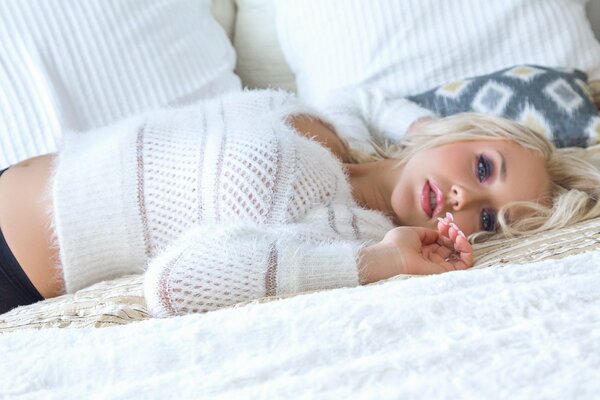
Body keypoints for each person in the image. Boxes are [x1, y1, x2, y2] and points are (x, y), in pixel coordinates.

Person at [0, 89, 598, 316]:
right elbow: (367, 95)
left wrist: (380, 262)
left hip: (14, 272)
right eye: (484, 167)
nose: (466, 197)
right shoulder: (335, 127)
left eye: (487, 217)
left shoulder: (347, 232)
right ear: (458, 131)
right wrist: (420, 125)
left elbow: (175, 285)